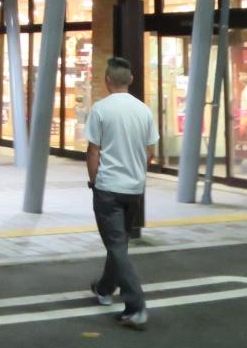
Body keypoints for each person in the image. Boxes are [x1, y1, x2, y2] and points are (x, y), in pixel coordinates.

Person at [84, 56, 160, 330]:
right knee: (119, 244)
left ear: (107, 80)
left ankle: (136, 307)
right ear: (131, 80)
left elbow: (93, 151)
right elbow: (150, 152)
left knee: (116, 245)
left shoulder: (100, 110)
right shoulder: (144, 111)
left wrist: (94, 181)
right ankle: (105, 289)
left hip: (108, 188)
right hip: (134, 189)